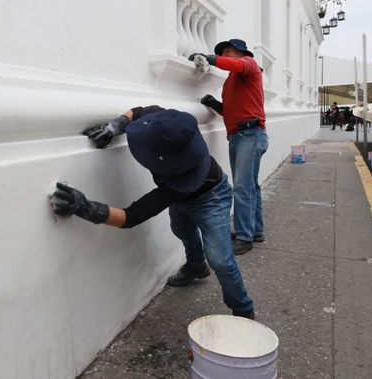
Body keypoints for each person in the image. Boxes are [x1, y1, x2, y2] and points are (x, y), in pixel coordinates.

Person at [50, 106, 255, 319]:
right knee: (181, 229)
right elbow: (138, 112)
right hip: (180, 197)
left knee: (220, 259)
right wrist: (116, 126)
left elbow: (132, 216)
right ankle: (196, 266)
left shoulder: (182, 179)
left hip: (212, 198)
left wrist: (88, 208)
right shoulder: (166, 124)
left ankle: (243, 310)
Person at [188, 39, 269, 255]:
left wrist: (210, 59)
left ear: (241, 52)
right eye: (222, 52)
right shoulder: (232, 81)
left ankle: (244, 236)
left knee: (242, 187)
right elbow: (232, 110)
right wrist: (214, 104)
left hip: (250, 134)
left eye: (228, 51)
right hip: (239, 135)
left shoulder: (249, 63)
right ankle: (255, 230)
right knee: (250, 185)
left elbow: (237, 65)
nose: (224, 54)